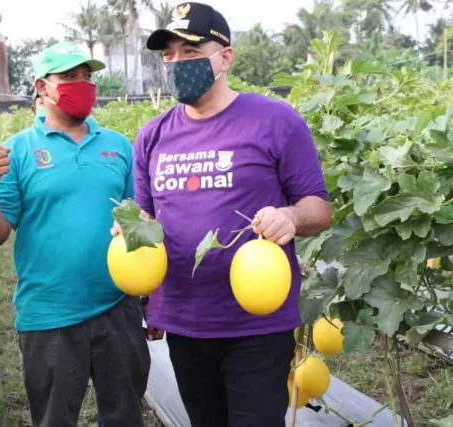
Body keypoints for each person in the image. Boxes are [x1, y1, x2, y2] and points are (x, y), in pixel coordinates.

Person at [111, 3, 332, 426]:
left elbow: (318, 208)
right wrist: (131, 234)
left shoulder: (276, 121)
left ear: (225, 57)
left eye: (191, 54)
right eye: (169, 56)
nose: (177, 64)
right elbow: (147, 217)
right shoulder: (152, 135)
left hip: (257, 324)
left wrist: (290, 217)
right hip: (185, 321)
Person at [0, 41, 150, 427]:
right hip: (49, 314)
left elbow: (138, 223)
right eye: (70, 77)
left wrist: (147, 300)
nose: (82, 84)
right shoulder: (17, 151)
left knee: (125, 415)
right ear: (42, 86)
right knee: (54, 419)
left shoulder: (118, 146)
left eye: (87, 77)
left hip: (117, 308)